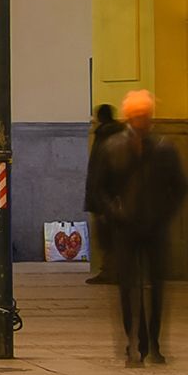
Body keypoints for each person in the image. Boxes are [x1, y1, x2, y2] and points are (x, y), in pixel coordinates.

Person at [99, 89, 187, 365]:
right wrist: (115, 211)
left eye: (146, 115)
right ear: (129, 117)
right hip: (125, 228)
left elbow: (180, 186)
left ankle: (154, 343)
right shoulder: (113, 147)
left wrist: (165, 213)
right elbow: (100, 188)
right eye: (137, 115)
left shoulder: (163, 148)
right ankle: (133, 342)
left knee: (156, 287)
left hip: (154, 227)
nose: (142, 120)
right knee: (128, 287)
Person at [82, 102, 124, 285]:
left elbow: (100, 169)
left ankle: (111, 271)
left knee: (108, 238)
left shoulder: (105, 136)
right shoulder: (118, 135)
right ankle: (113, 271)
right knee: (111, 237)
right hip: (111, 195)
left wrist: (100, 197)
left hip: (106, 196)